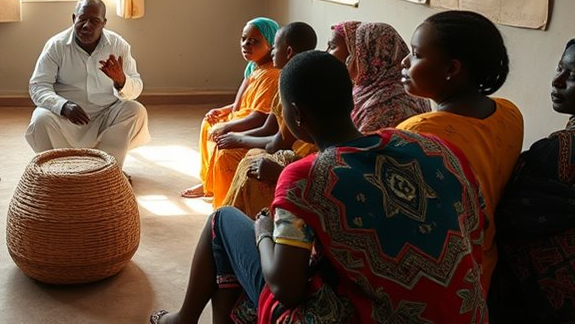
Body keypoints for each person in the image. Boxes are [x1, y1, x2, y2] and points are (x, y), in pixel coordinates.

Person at [151, 51, 487, 324]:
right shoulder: (433, 147)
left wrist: (264, 231)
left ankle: (182, 320)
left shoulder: (306, 177)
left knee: (221, 222)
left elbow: (285, 287)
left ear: (295, 115)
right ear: (351, 101)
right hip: (464, 313)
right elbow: (477, 227)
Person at [397, 10, 523, 289]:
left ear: (452, 69)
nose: (404, 62)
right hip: (486, 268)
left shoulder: (418, 133)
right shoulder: (510, 113)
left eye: (416, 54)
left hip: (439, 279)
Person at [491, 36, 575, 323]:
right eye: (558, 68)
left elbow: (508, 216)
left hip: (555, 301)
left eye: (573, 75)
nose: (557, 81)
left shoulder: (560, 152)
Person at [27, 0, 149, 170]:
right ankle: (63, 170)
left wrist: (121, 81)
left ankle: (108, 171)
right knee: (40, 118)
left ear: (104, 23)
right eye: (82, 19)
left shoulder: (118, 45)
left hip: (107, 116)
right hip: (68, 118)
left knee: (136, 111)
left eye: (94, 21)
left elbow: (136, 86)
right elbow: (38, 85)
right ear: (73, 18)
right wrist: (63, 106)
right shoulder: (56, 45)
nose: (87, 26)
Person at [219, 22, 317, 217]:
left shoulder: (292, 84)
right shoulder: (282, 79)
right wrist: (236, 134)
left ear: (288, 51)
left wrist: (239, 138)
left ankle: (236, 218)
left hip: (301, 154)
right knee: (243, 153)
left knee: (247, 164)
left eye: (276, 46)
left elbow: (277, 142)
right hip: (284, 147)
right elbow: (268, 126)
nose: (272, 51)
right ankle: (223, 208)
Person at [182, 17, 280, 205]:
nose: (246, 45)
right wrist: (224, 111)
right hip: (242, 116)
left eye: (254, 41)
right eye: (244, 39)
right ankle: (209, 182)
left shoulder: (271, 75)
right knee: (208, 123)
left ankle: (224, 198)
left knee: (220, 141)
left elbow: (259, 117)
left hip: (251, 123)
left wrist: (227, 127)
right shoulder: (254, 67)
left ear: (270, 43)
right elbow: (244, 101)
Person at [327, 21, 430, 132]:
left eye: (332, 47)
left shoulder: (390, 104)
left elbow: (360, 146)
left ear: (362, 52)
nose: (326, 52)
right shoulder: (366, 88)